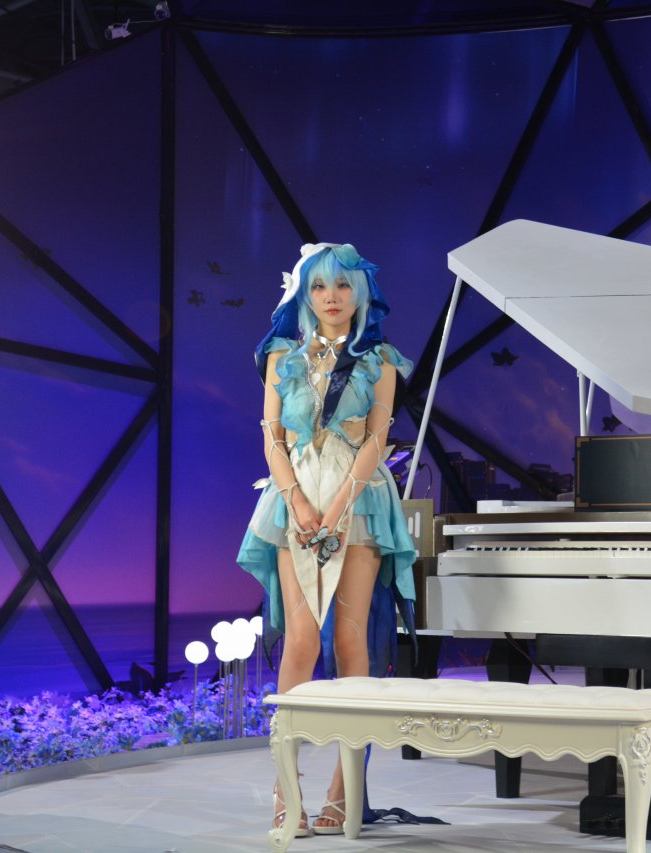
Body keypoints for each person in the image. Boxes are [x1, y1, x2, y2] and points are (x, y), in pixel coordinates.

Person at [236, 243, 417, 836]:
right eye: (318, 287)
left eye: (341, 286)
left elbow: (378, 439)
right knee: (300, 643)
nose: (331, 297)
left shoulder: (379, 358)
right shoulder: (280, 354)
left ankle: (345, 794)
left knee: (350, 641)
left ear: (359, 292)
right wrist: (296, 501)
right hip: (294, 499)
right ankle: (285, 793)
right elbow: (272, 438)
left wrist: (337, 508)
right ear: (303, 294)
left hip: (359, 503)